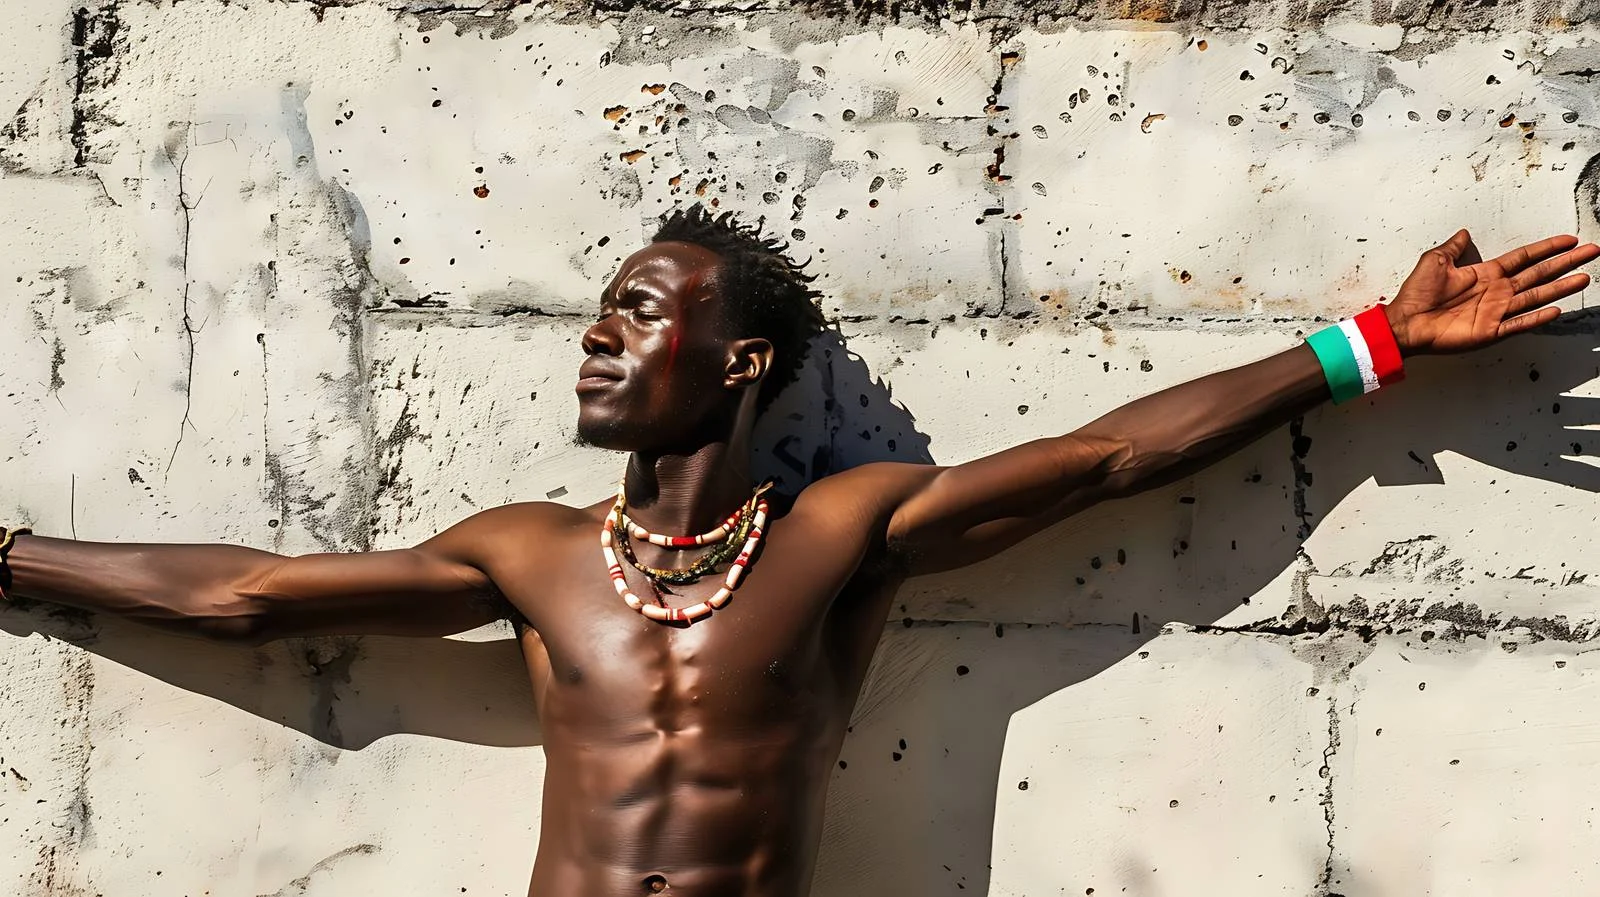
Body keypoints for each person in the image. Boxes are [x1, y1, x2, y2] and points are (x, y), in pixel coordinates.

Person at [1, 205, 1595, 897]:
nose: (598, 338)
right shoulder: (532, 554)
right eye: (601, 309)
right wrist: (12, 554)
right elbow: (253, 595)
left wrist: (1372, 340)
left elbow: (1112, 456)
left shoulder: (847, 527)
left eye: (638, 308)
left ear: (739, 359)